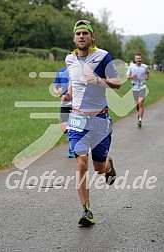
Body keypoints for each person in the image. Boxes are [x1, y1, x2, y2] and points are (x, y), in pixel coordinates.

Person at [61, 20, 121, 226]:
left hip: (100, 119)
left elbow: (118, 83)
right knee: (80, 163)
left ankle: (108, 166)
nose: (81, 36)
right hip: (77, 118)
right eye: (78, 34)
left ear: (92, 37)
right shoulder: (70, 59)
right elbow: (74, 80)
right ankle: (86, 210)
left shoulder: (103, 57)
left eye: (85, 33)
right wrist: (68, 93)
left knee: (98, 167)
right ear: (74, 37)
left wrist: (98, 80)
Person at [53, 67, 74, 158]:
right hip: (65, 103)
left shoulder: (80, 70)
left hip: (78, 104)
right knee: (65, 129)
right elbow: (55, 87)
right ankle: (75, 143)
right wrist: (58, 91)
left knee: (76, 126)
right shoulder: (61, 72)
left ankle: (72, 148)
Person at [126, 53, 150, 127]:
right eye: (137, 58)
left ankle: (140, 120)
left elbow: (148, 73)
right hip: (134, 87)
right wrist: (131, 76)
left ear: (141, 59)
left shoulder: (145, 67)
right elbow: (127, 76)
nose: (138, 60)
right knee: (137, 105)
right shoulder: (131, 67)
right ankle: (139, 113)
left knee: (141, 104)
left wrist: (147, 77)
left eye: (139, 58)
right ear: (135, 59)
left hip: (142, 86)